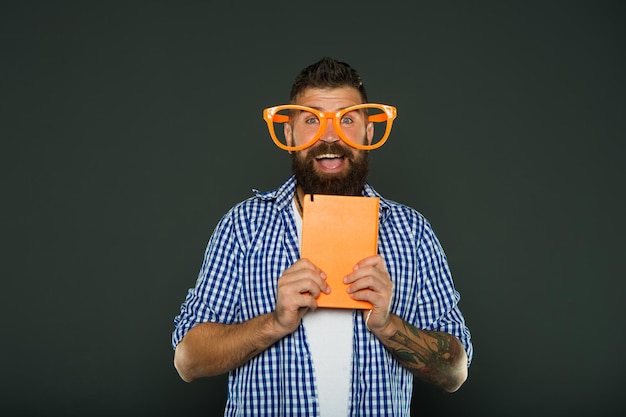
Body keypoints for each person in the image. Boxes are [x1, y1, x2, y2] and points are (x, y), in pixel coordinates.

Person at [172, 56, 473, 416]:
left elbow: (455, 371)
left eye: (347, 119)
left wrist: (388, 325)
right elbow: (187, 359)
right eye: (312, 120)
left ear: (369, 132)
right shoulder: (243, 228)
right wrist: (275, 322)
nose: (330, 136)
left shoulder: (411, 233)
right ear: (288, 133)